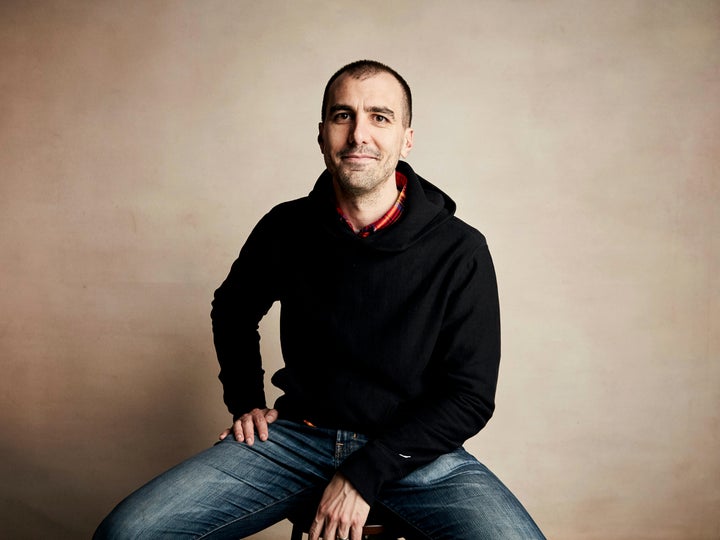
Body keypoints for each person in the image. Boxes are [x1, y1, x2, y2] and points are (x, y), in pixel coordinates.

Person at [94, 60, 545, 540]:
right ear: (322, 133)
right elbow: (233, 308)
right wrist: (246, 401)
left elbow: (470, 396)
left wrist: (364, 472)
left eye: (380, 117)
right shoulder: (286, 227)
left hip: (411, 451)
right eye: (342, 115)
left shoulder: (459, 248)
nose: (358, 135)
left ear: (406, 139)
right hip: (296, 438)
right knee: (128, 533)